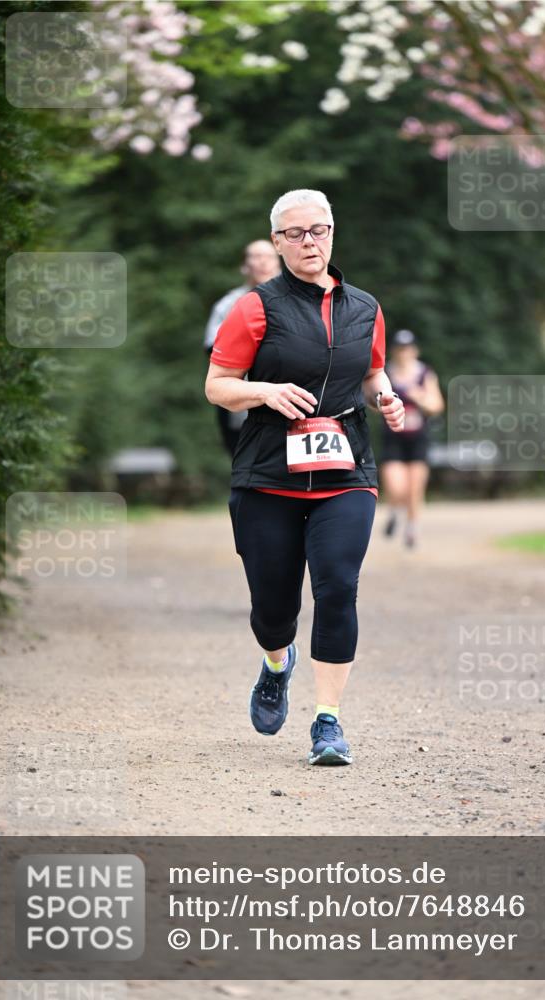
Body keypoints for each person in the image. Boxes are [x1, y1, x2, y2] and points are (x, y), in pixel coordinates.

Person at [204, 189, 404, 764]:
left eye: (317, 230)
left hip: (346, 469)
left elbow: (372, 374)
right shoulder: (254, 309)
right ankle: (275, 662)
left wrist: (386, 399)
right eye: (294, 234)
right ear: (277, 242)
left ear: (333, 232)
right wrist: (264, 390)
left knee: (338, 586)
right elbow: (217, 385)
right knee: (273, 609)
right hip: (268, 473)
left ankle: (328, 722)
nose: (308, 242)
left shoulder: (365, 307)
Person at [204, 241, 280, 455]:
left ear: (279, 263)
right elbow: (214, 349)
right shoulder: (228, 305)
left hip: (290, 403)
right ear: (245, 265)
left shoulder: (298, 301)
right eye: (256, 256)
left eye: (269, 256)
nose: (263, 262)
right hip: (242, 406)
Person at [380, 329, 444, 548]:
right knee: (397, 488)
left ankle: (412, 530)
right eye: (400, 348)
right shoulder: (385, 372)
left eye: (407, 348)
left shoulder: (425, 373)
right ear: (394, 351)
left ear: (414, 350)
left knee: (415, 489)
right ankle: (395, 511)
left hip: (418, 438)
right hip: (393, 437)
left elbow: (437, 406)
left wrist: (421, 398)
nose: (404, 353)